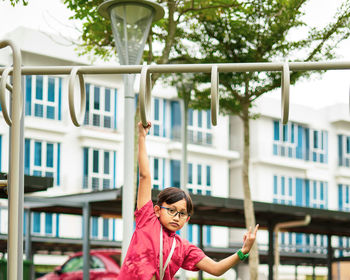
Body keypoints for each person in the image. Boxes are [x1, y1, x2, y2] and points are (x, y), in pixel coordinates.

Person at [118, 121, 259, 280]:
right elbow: (145, 176)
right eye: (171, 210)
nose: (177, 217)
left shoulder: (184, 248)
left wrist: (243, 251)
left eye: (182, 214)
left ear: (187, 219)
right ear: (157, 210)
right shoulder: (147, 220)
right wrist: (142, 137)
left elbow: (216, 269)